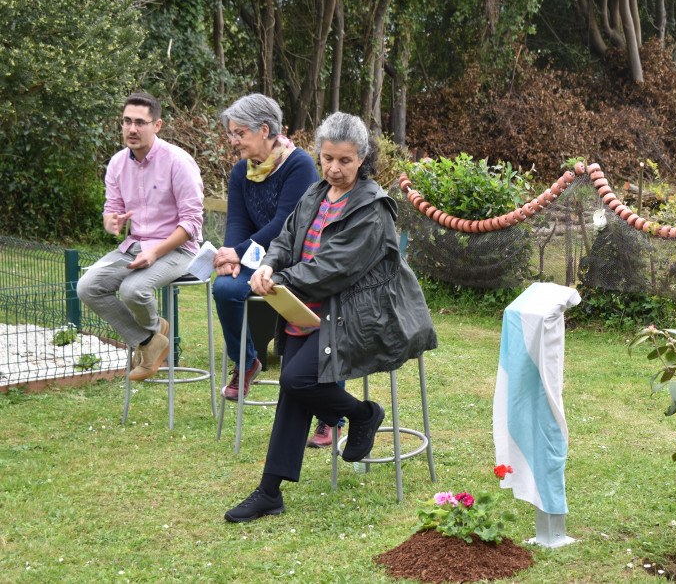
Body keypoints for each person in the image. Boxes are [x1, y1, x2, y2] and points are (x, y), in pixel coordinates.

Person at [224, 112, 438, 523]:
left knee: (295, 379)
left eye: (345, 160)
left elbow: (333, 269)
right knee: (294, 387)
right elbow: (285, 238)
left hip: (355, 317)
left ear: (362, 159)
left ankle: (363, 415)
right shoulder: (315, 193)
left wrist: (279, 277)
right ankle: (270, 491)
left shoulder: (373, 209)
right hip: (304, 306)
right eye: (327, 159)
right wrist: (269, 265)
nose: (334, 169)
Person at [77, 92, 203, 381]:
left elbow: (192, 223)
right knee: (87, 287)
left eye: (140, 123)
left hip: (179, 248)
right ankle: (149, 339)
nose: (132, 129)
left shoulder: (178, 162)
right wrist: (111, 222)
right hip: (134, 246)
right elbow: (112, 210)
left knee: (133, 290)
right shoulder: (117, 163)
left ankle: (149, 339)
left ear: (156, 125)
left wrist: (156, 252)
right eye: (126, 122)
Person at [213, 94, 318, 401]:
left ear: (263, 129)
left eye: (239, 133)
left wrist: (239, 250)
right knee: (224, 289)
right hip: (257, 255)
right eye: (231, 133)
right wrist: (230, 256)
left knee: (316, 311)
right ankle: (247, 363)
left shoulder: (299, 165)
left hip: (294, 257)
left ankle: (323, 404)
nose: (233, 141)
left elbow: (286, 225)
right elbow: (236, 222)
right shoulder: (240, 172)